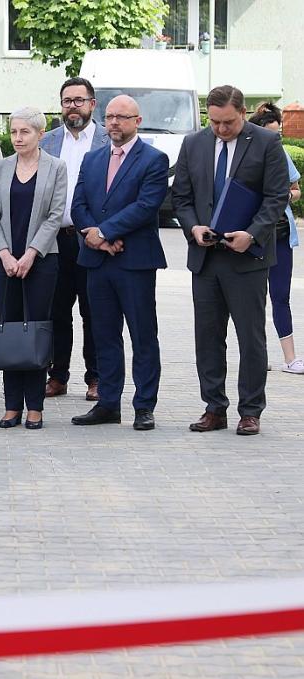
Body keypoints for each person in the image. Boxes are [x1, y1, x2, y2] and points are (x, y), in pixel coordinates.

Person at [172, 85, 289, 436]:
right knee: (207, 337)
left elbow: (276, 197)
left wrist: (251, 234)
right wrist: (193, 228)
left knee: (250, 337)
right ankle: (214, 408)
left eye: (228, 123)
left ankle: (250, 411)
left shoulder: (266, 143)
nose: (221, 129)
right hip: (205, 258)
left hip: (247, 258)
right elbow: (181, 197)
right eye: (214, 122)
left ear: (242, 113)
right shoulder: (193, 144)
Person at [70, 95, 168, 431]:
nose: (114, 122)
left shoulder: (154, 159)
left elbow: (146, 205)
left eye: (122, 117)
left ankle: (144, 406)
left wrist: (104, 232)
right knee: (104, 335)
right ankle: (108, 404)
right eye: (110, 116)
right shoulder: (93, 159)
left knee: (143, 336)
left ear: (137, 121)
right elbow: (78, 204)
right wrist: (97, 238)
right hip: (98, 261)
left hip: (134, 261)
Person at [0, 106, 67, 429]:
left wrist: (31, 254)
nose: (18, 138)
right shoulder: (0, 167)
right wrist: (4, 254)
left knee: (35, 331)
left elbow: (55, 216)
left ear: (40, 134)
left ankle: (35, 406)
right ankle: (11, 405)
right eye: (14, 131)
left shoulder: (56, 167)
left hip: (42, 260)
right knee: (9, 329)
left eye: (25, 132)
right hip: (3, 261)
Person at [40, 77, 109, 402]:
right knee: (56, 311)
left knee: (93, 312)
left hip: (93, 239)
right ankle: (57, 376)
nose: (73, 107)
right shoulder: (48, 141)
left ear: (92, 104)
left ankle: (96, 378)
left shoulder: (107, 140)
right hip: (56, 240)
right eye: (67, 101)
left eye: (79, 100)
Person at [249, 103, 303, 373]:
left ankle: (291, 358)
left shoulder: (281, 154)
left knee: (280, 295)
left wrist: (283, 197)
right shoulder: (245, 157)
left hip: (279, 234)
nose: (275, 140)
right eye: (270, 134)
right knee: (252, 298)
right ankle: (258, 356)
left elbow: (296, 190)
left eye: (277, 134)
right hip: (251, 237)